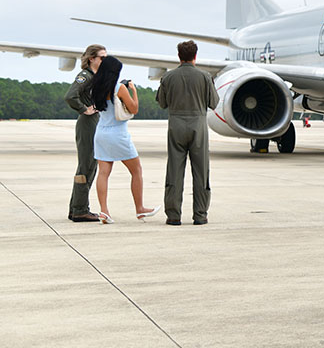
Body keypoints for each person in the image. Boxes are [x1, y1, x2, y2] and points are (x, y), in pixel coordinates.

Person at [89, 56, 160, 223]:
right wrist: (133, 90)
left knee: (103, 173)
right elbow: (133, 109)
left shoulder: (95, 86)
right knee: (136, 171)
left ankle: (104, 211)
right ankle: (140, 208)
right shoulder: (119, 88)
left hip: (101, 132)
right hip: (118, 133)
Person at [156, 40, 220, 226]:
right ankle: (200, 214)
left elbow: (162, 102)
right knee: (201, 172)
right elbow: (214, 103)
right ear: (195, 55)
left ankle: (173, 215)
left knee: (174, 171)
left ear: (179, 56)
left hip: (175, 125)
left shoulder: (168, 77)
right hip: (198, 125)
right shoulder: (205, 76)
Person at [65, 44, 106, 222]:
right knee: (87, 165)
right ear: (92, 59)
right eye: (102, 58)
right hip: (87, 123)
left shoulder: (96, 77)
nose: (105, 61)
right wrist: (83, 109)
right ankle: (81, 210)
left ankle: (76, 208)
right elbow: (70, 96)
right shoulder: (85, 76)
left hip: (94, 122)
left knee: (90, 165)